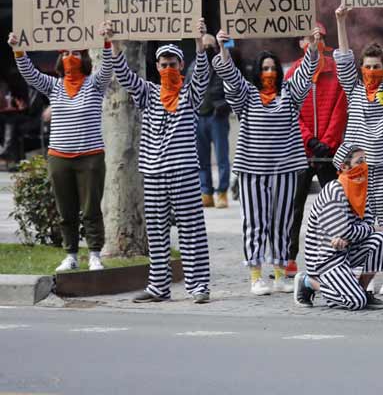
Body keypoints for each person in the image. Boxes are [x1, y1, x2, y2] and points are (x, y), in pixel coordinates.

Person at [212, 26, 320, 296]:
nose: (269, 73)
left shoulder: (289, 97)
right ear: (257, 72)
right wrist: (222, 48)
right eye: (265, 68)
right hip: (252, 171)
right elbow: (230, 77)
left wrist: (314, 46)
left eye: (273, 68)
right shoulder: (246, 96)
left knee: (282, 222)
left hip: (285, 170)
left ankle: (281, 274)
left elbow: (307, 72)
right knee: (255, 223)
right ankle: (255, 276)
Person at [110, 20, 212, 304]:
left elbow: (203, 72)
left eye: (173, 64)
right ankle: (158, 288)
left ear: (181, 66)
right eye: (163, 64)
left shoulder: (190, 94)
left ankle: (198, 287)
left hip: (185, 172)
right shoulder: (148, 93)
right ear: (157, 67)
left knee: (192, 231)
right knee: (156, 233)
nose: (168, 68)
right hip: (153, 173)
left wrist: (198, 39)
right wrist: (113, 42)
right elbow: (124, 75)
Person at [9, 23, 113, 272]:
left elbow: (108, 68)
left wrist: (107, 42)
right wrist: (18, 51)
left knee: (91, 209)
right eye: (65, 53)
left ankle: (95, 254)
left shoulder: (95, 85)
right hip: (60, 158)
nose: (70, 57)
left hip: (90, 157)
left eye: (75, 53)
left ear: (84, 57)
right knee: (65, 210)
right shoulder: (53, 87)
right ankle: (71, 254)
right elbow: (30, 75)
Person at [334, 3, 383, 296]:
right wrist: (341, 21)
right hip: (358, 166)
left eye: (376, 66)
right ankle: (363, 270)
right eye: (366, 66)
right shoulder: (353, 89)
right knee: (359, 219)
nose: (371, 71)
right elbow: (342, 60)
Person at [284, 25, 347, 278]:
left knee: (333, 205)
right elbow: (290, 111)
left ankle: (335, 255)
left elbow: (341, 108)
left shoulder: (336, 70)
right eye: (310, 38)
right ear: (301, 43)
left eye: (319, 37)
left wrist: (328, 142)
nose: (314, 41)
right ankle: (289, 258)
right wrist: (309, 140)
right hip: (301, 151)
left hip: (329, 151)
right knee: (294, 206)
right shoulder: (293, 73)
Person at [295, 144, 383, 311]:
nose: (364, 165)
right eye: (360, 161)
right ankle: (309, 282)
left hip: (346, 251)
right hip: (325, 258)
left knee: (381, 239)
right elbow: (344, 231)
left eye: (365, 160)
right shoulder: (335, 190)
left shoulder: (361, 189)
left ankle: (361, 290)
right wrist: (365, 230)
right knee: (355, 302)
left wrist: (351, 234)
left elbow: (362, 224)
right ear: (345, 167)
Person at [195, 33, 231, 209]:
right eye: (205, 46)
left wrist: (223, 106)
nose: (207, 49)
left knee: (222, 157)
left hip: (218, 117)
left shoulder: (222, 66)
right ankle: (206, 192)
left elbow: (233, 87)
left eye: (210, 46)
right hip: (199, 118)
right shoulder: (194, 66)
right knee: (201, 159)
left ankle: (222, 193)